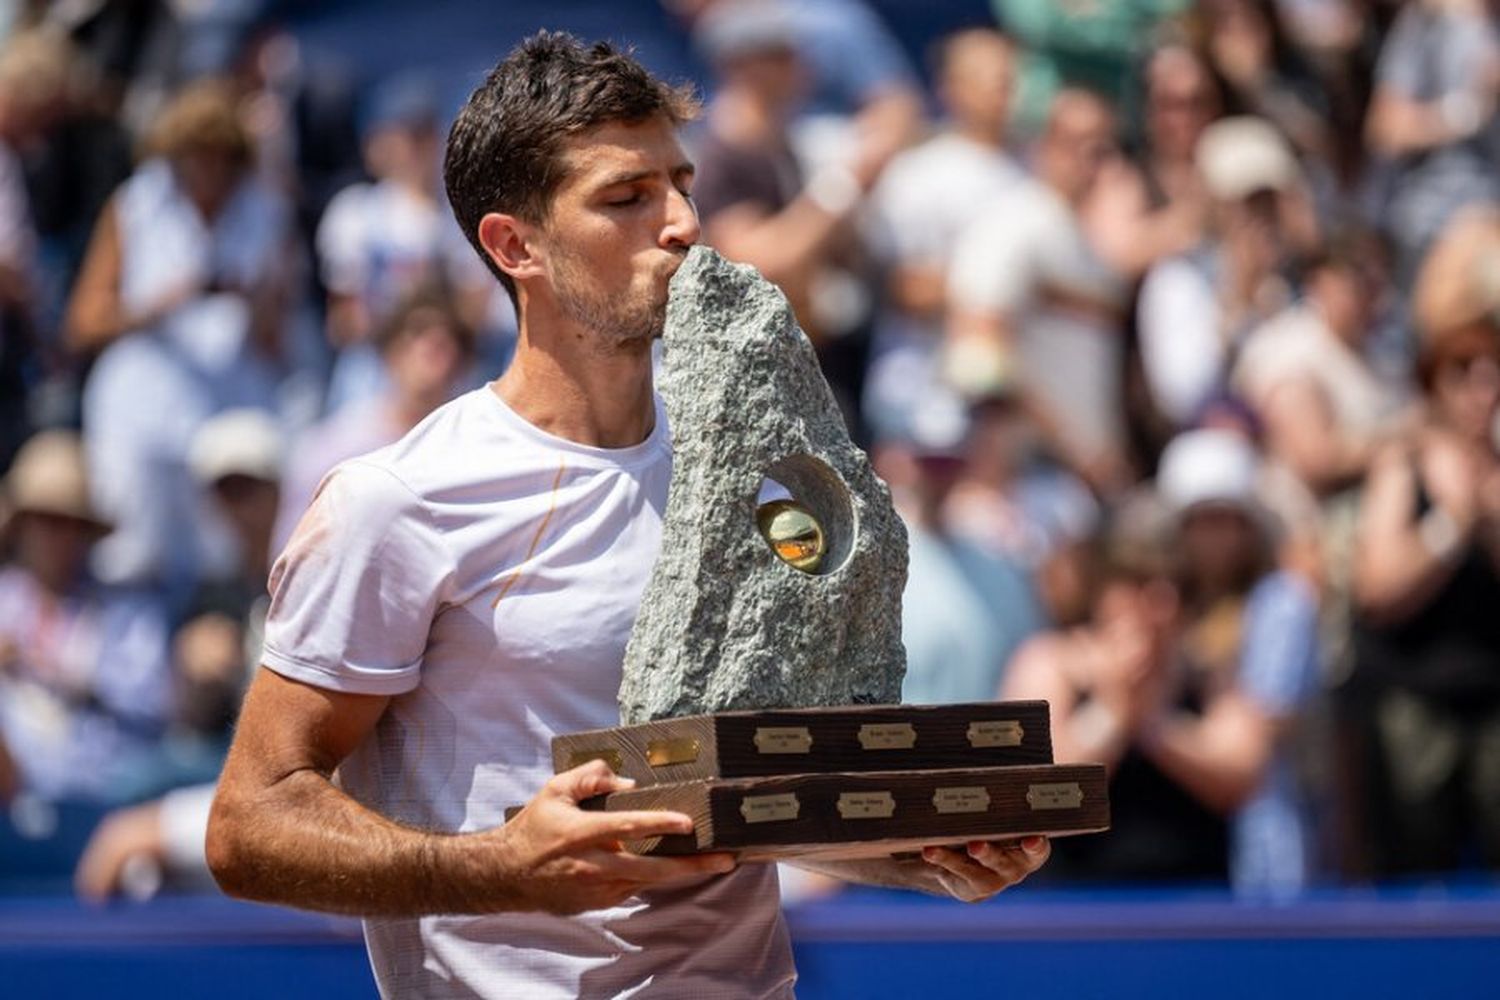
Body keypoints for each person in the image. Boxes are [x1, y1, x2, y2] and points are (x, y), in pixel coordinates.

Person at [206, 33, 1049, 999]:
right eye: (625, 198)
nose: (684, 222)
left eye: (680, 183)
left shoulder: (753, 470)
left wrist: (919, 851)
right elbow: (247, 825)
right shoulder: (398, 500)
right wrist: (498, 866)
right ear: (513, 245)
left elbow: (726, 808)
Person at [1347, 207, 1500, 877]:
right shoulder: (1403, 462)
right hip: (1418, 709)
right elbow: (1377, 589)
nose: (1481, 389)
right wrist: (1451, 526)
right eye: (1461, 369)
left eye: (1492, 369)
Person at [947, 87, 1130, 494]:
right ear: (1044, 143)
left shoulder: (1091, 244)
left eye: (1101, 147)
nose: (1089, 159)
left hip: (1079, 481)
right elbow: (978, 354)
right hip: (1021, 477)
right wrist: (1074, 451)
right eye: (1075, 143)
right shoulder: (1014, 223)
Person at [0, 430, 175, 805]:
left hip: (103, 800)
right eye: (43, 520)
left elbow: (153, 705)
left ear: (85, 531)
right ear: (21, 525)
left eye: (68, 522)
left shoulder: (128, 614)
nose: (56, 536)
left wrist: (49, 667)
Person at [271, 285, 475, 554]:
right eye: (418, 332)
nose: (433, 347)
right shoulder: (331, 447)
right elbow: (291, 554)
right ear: (390, 351)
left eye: (448, 340)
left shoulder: (474, 450)